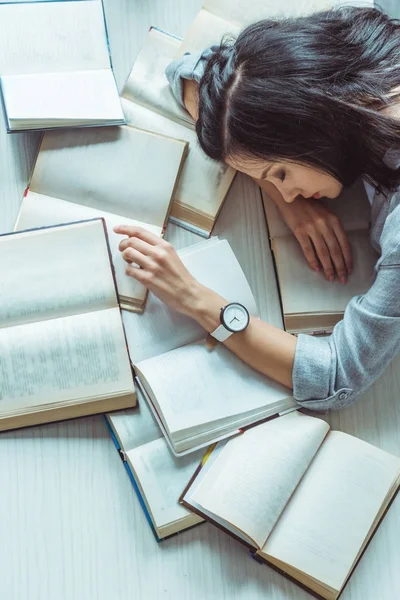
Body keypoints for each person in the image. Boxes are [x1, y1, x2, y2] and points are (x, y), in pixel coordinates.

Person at [114, 6, 400, 411]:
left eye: (281, 174)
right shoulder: (362, 65)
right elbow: (190, 73)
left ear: (313, 123)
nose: (286, 193)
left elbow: (338, 375)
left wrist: (194, 297)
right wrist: (279, 188)